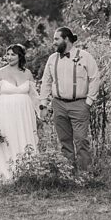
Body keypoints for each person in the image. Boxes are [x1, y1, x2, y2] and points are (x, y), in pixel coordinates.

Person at [39, 27, 100, 172]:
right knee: (64, 141)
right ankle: (69, 174)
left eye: (56, 39)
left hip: (79, 104)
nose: (54, 42)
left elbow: (94, 78)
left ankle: (85, 174)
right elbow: (46, 81)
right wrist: (43, 104)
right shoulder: (52, 59)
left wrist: (89, 101)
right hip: (58, 104)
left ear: (66, 39)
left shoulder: (85, 56)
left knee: (81, 140)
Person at [0, 44, 41, 183]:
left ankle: (26, 170)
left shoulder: (27, 73)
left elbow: (34, 96)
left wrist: (41, 112)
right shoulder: (0, 73)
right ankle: (6, 172)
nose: (9, 57)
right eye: (8, 54)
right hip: (5, 113)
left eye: (13, 54)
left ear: (20, 56)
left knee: (24, 137)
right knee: (8, 139)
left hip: (24, 113)